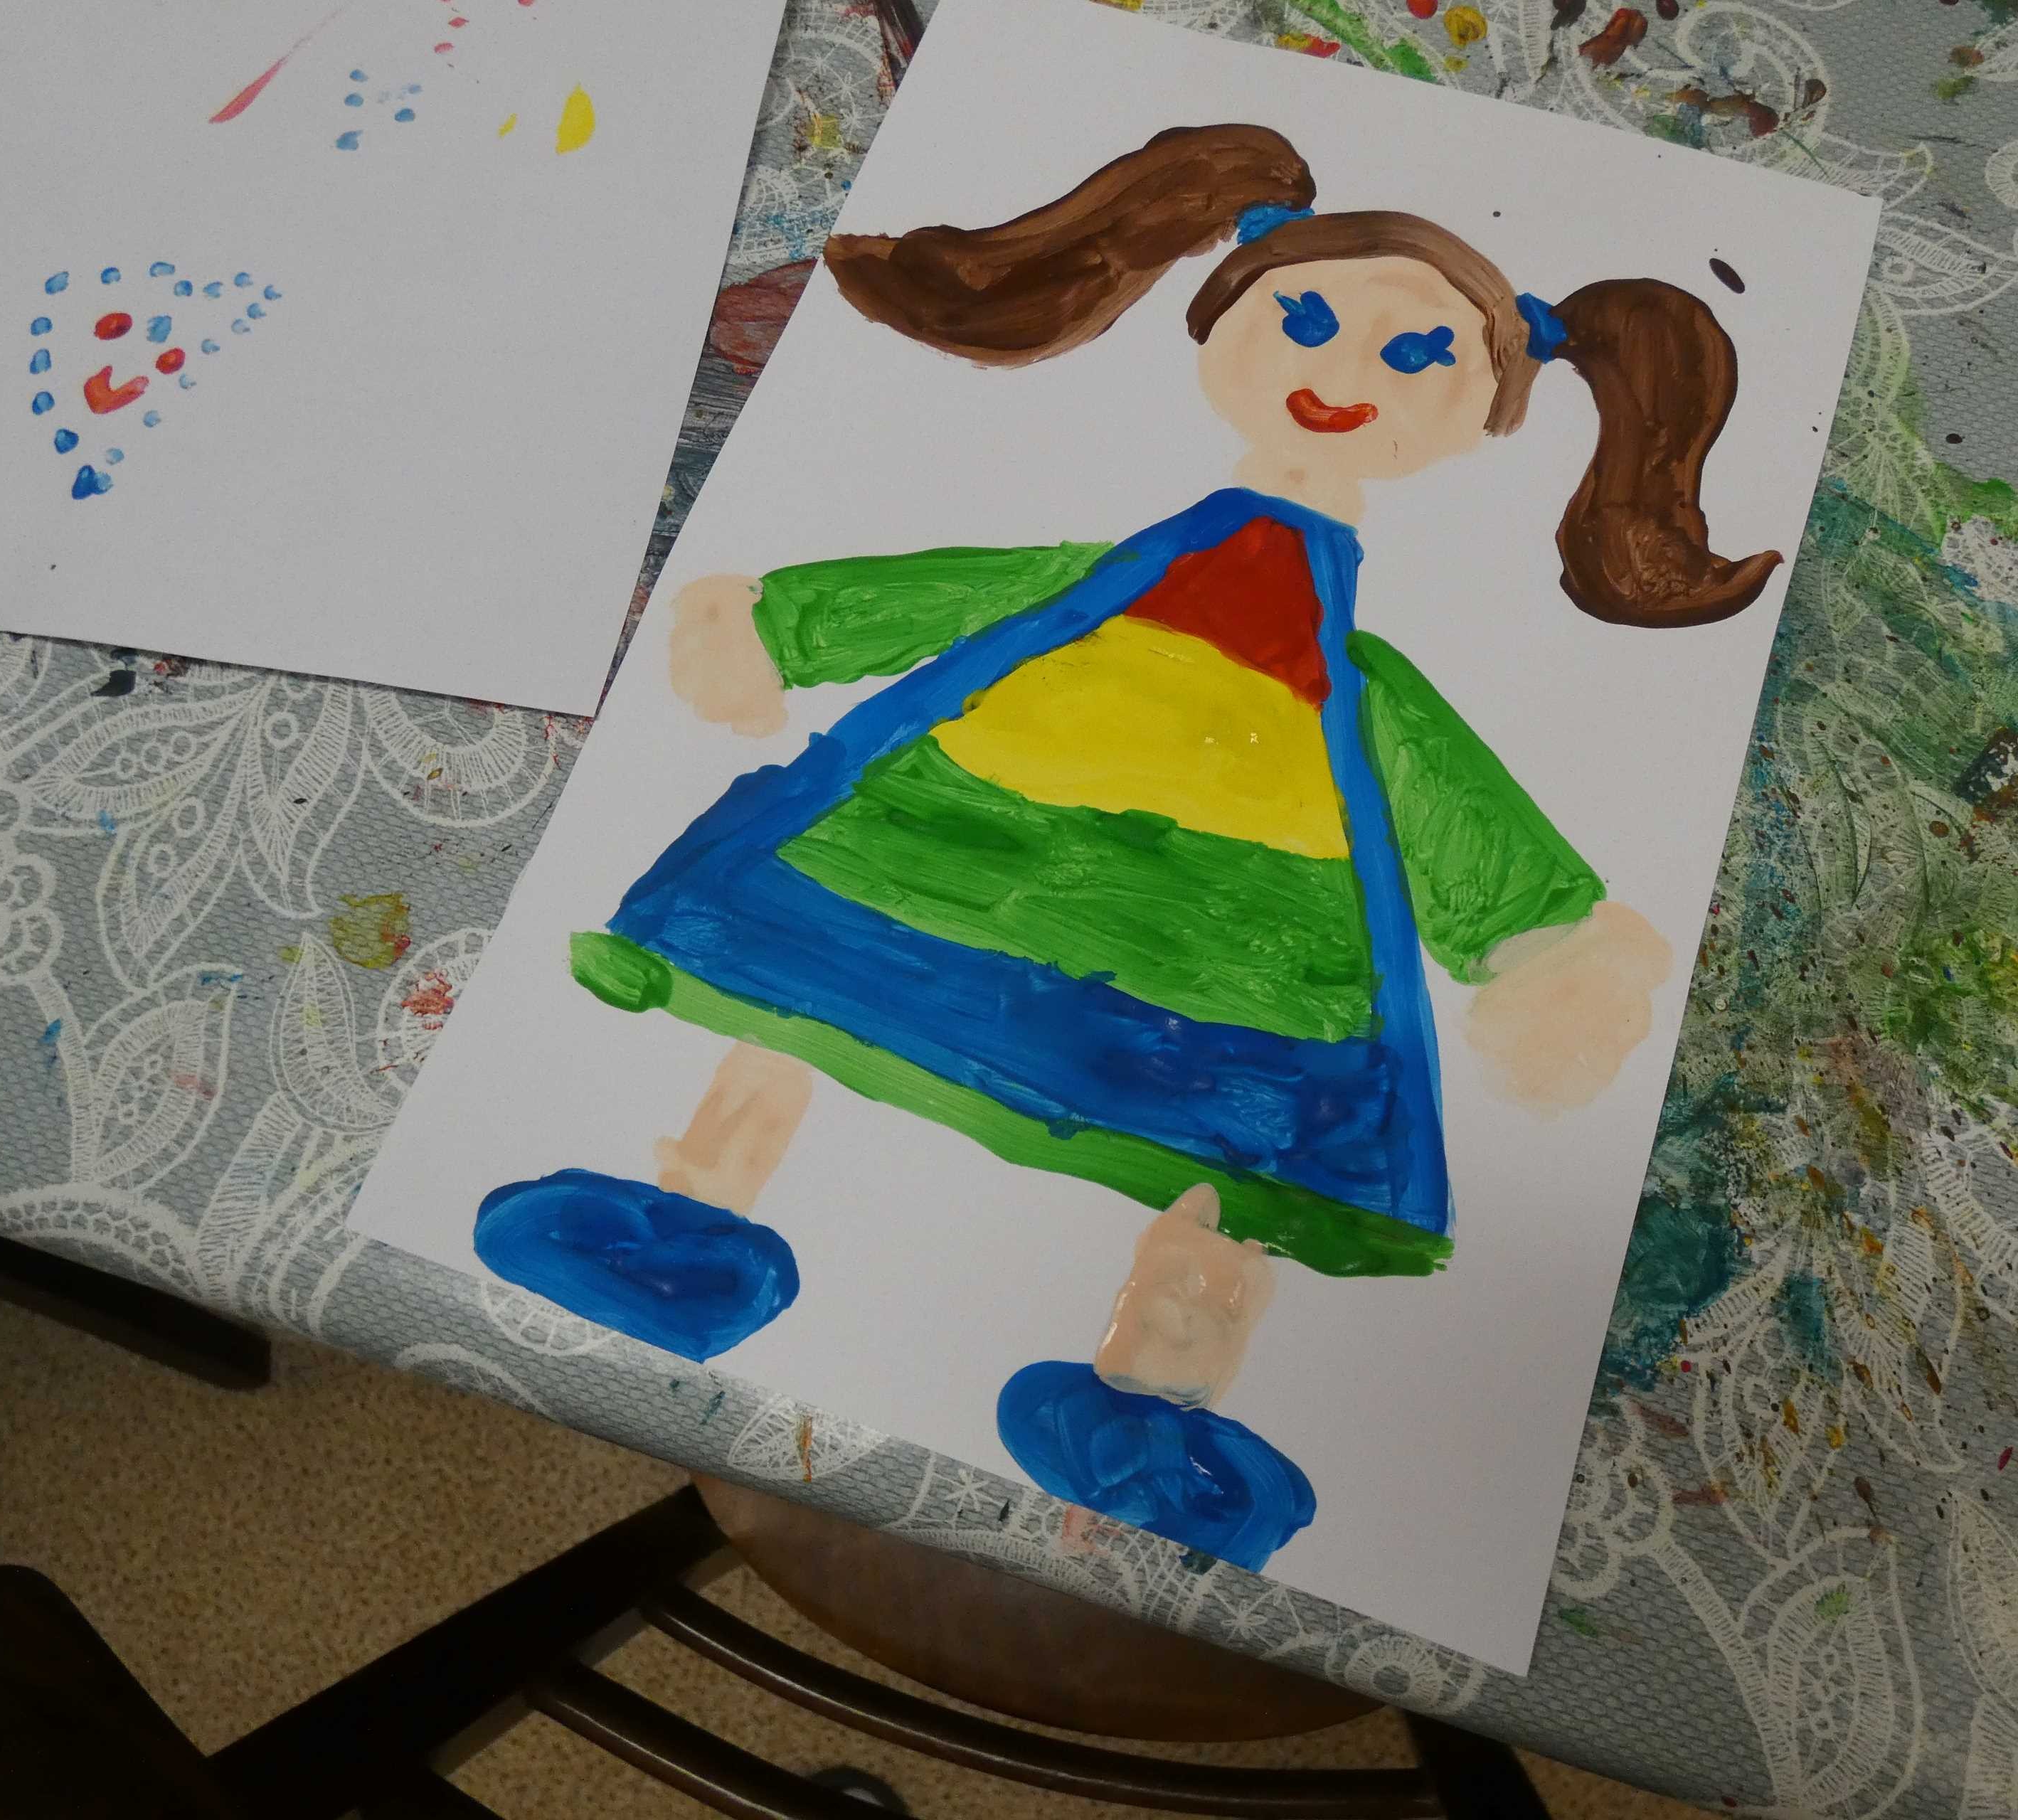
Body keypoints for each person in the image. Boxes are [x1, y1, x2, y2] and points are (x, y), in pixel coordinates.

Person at [484, 124, 1773, 1570]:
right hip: (962, 829)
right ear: (1223, 318)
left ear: (1483, 412)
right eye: (1305, 320)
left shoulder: (1354, 678)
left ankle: (1158, 1405)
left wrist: (1541, 938)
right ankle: (686, 1222)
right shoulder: (1097, 583)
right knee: (794, 995)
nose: (1344, 375)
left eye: (1418, 356)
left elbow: (1427, 773)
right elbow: (979, 593)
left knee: (1231, 1154)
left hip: (1239, 927)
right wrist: (786, 623)